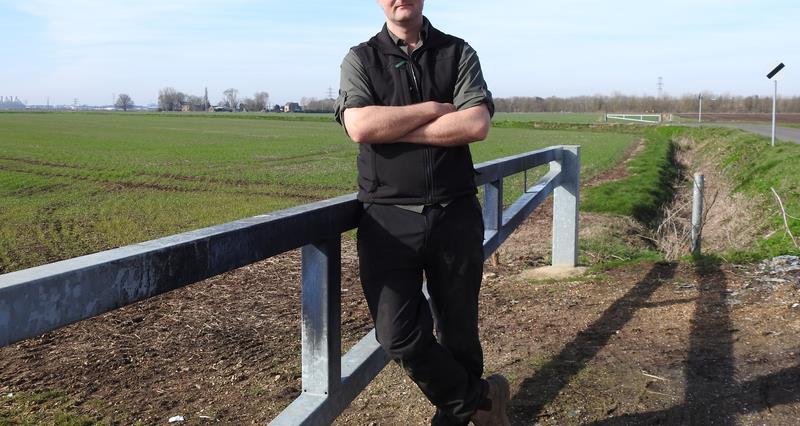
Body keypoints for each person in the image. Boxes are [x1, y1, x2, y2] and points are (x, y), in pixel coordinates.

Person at [334, 1, 509, 424]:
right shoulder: (361, 58)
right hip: (387, 218)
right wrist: (434, 109)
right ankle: (483, 399)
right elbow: (360, 126)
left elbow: (475, 126)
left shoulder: (457, 52)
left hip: (455, 213)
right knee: (396, 333)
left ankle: (459, 416)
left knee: (459, 331)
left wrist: (393, 129)